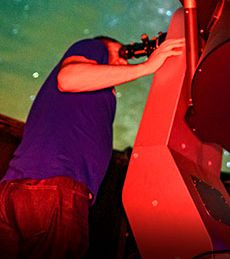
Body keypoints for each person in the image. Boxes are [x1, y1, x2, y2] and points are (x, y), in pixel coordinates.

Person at [0, 35, 184, 258]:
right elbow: (68, 79)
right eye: (120, 53)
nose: (124, 61)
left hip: (22, 189)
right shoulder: (94, 47)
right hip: (53, 188)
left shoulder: (95, 91)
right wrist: (147, 66)